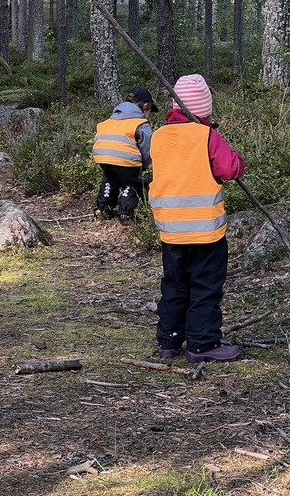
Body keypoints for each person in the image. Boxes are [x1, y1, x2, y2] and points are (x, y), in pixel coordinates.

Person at [149, 74, 244, 363]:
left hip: (170, 231)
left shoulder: (158, 136)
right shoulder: (206, 136)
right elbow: (230, 169)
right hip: (205, 232)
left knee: (174, 285)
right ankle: (202, 344)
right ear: (204, 109)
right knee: (205, 286)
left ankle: (169, 341)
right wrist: (235, 156)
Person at [92, 87, 157, 224]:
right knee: (133, 183)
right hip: (126, 159)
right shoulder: (141, 123)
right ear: (146, 105)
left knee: (110, 180)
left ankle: (103, 209)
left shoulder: (112, 119)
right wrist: (143, 166)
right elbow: (147, 148)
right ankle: (125, 213)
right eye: (150, 110)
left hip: (102, 157)